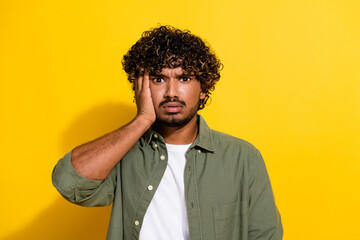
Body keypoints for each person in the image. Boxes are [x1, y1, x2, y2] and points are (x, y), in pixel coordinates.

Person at [52, 25, 283, 240]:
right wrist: (142, 120)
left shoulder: (243, 158)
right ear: (140, 87)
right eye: (158, 79)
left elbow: (266, 235)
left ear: (203, 88)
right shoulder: (123, 156)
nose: (171, 92)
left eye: (184, 78)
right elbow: (68, 183)